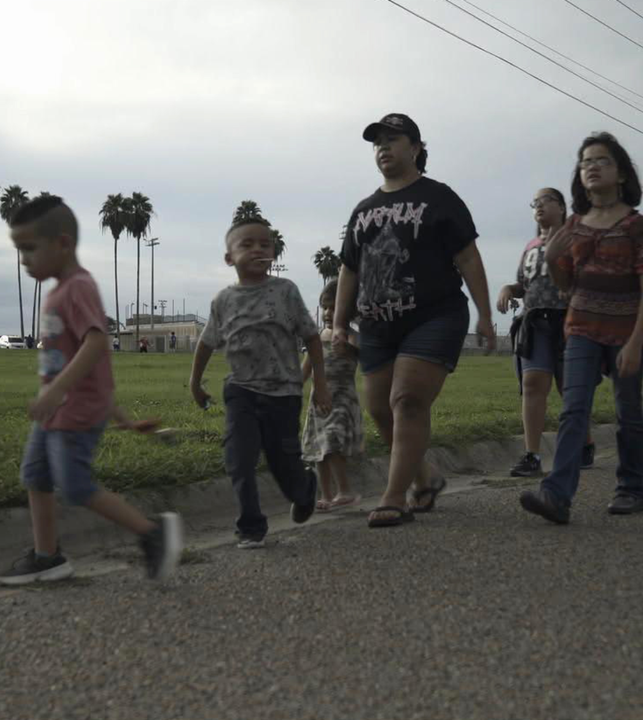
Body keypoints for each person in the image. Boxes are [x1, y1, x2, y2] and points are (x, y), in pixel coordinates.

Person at [0, 195, 182, 585]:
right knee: (36, 476)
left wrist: (55, 392)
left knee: (75, 486)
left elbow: (96, 343)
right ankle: (47, 557)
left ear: (62, 243)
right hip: (58, 410)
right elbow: (92, 369)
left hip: (74, 413)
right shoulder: (58, 291)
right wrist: (122, 417)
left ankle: (152, 533)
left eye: (29, 248)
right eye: (19, 250)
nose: (23, 260)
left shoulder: (78, 287)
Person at [333, 112, 496, 528]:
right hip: (377, 326)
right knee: (379, 409)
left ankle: (394, 497)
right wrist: (339, 323)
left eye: (393, 139)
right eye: (377, 142)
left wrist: (484, 314)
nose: (383, 148)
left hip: (434, 316)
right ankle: (425, 478)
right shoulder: (364, 209)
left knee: (406, 400)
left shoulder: (439, 197)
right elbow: (349, 269)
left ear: (417, 148)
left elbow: (467, 257)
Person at [519, 131, 643, 525]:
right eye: (585, 162)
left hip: (627, 331)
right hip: (581, 328)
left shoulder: (638, 225)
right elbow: (567, 285)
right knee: (573, 408)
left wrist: (635, 341)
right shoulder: (574, 226)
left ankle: (632, 487)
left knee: (627, 410)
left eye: (601, 160)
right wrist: (553, 256)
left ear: (621, 173)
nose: (592, 167)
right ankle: (556, 495)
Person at [190, 217, 331, 549]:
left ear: (273, 253)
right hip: (241, 391)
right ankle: (251, 526)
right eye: (247, 244)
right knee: (238, 459)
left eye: (264, 244)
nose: (257, 249)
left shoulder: (286, 291)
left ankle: (304, 489)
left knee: (284, 463)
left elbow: (312, 338)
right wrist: (195, 383)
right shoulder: (223, 300)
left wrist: (320, 384)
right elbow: (206, 343)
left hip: (284, 393)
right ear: (229, 258)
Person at [496, 188, 595, 477]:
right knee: (532, 384)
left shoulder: (575, 240)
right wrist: (508, 289)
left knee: (569, 388)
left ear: (562, 207)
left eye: (546, 201)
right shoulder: (530, 246)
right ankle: (532, 455)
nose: (539, 206)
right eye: (535, 203)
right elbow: (524, 285)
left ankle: (585, 443)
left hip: (568, 322)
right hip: (535, 323)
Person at [301, 280, 363, 512]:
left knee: (331, 442)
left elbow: (364, 355)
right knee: (320, 449)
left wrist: (349, 349)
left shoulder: (351, 336)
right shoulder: (318, 337)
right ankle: (326, 495)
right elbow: (305, 369)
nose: (328, 313)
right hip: (318, 403)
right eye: (325, 307)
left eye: (334, 308)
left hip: (342, 400)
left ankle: (345, 490)